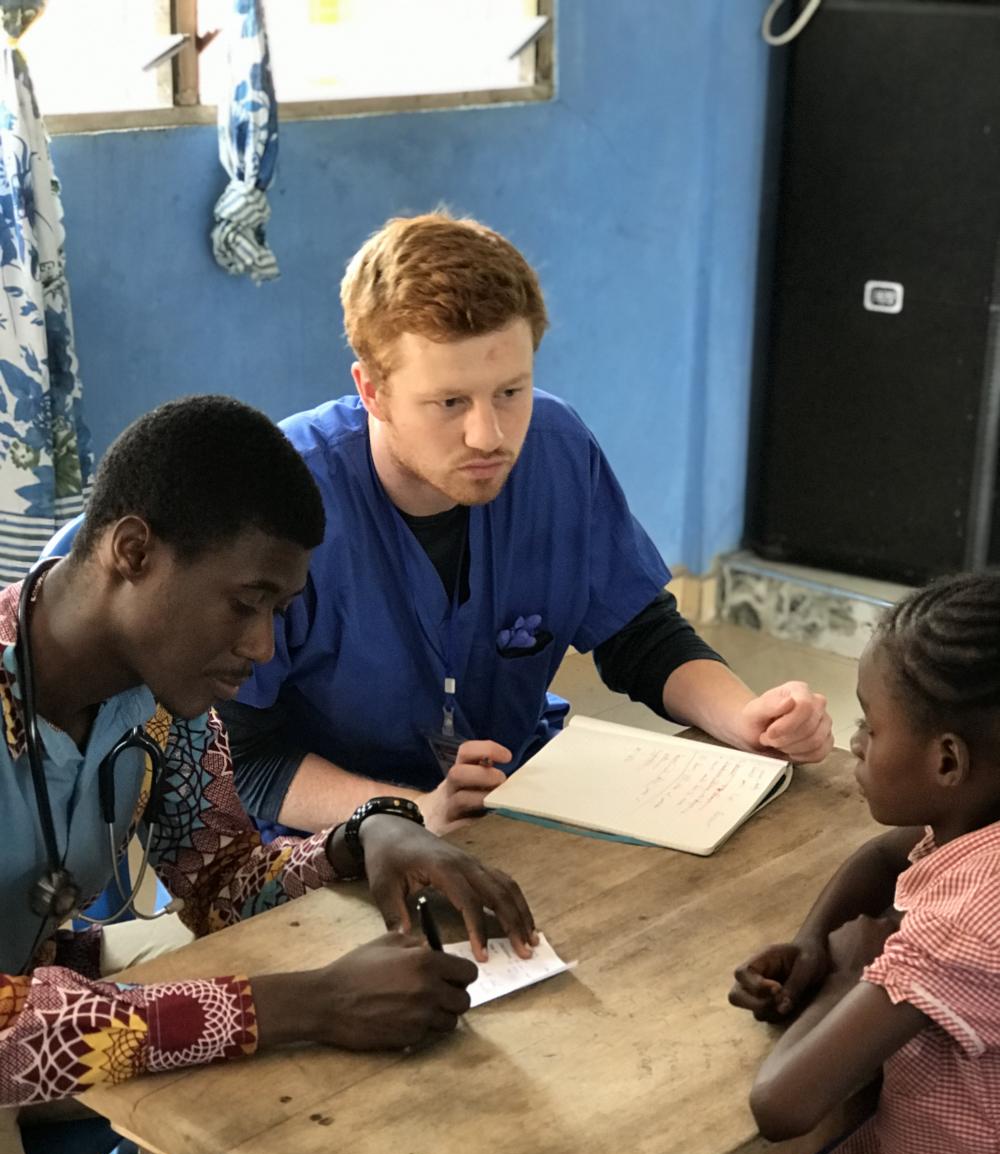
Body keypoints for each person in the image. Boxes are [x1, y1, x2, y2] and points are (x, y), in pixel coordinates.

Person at [0, 395, 538, 1154]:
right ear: (133, 553)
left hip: (46, 980)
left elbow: (223, 885)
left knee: (371, 1011)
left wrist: (366, 834)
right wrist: (309, 1002)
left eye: (279, 611)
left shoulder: (162, 700)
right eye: (246, 604)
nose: (260, 647)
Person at [223, 211, 834, 840]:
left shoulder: (558, 448)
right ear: (371, 390)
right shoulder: (283, 497)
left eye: (511, 392)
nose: (488, 436)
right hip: (324, 840)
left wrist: (749, 717)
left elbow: (640, 636)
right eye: (450, 402)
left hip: (513, 798)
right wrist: (411, 813)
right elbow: (243, 758)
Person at [583, 571, 1000, 1154]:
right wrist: (813, 939)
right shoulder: (981, 826)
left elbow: (782, 1103)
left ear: (947, 761)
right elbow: (882, 858)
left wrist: (847, 970)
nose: (855, 739)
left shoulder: (969, 923)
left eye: (872, 725)